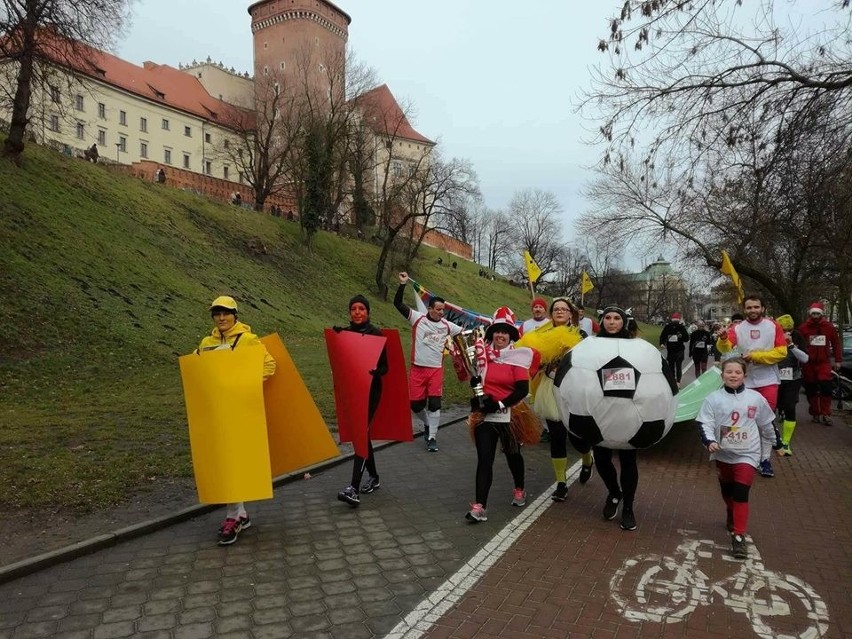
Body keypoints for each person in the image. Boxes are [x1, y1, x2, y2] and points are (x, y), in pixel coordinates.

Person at [196, 295, 276, 545]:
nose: (221, 318)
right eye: (216, 314)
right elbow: (198, 368)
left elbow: (269, 366)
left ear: (235, 315)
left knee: (236, 460)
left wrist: (245, 386)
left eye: (226, 313)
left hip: (241, 411)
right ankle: (240, 513)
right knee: (225, 459)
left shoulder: (248, 340)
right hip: (218, 413)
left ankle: (233, 516)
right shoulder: (207, 342)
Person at [696, 357, 778, 559]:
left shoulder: (755, 398)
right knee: (728, 490)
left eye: (737, 372)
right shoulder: (713, 399)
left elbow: (767, 423)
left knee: (741, 493)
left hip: (748, 453)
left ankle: (738, 536)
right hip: (723, 453)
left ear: (745, 375)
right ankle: (731, 511)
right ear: (722, 374)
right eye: (729, 372)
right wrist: (709, 441)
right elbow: (704, 423)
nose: (733, 375)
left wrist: (775, 443)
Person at [517, 298, 592, 498]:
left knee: (577, 437)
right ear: (552, 314)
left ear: (570, 314)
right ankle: (561, 483)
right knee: (557, 436)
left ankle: (587, 459)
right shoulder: (542, 335)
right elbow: (532, 358)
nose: (559, 312)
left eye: (563, 309)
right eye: (556, 309)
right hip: (550, 387)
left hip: (574, 389)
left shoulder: (581, 335)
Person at [465, 307, 532, 523]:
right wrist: (476, 391)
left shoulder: (517, 356)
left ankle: (519, 488)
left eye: (505, 331)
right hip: (486, 416)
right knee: (485, 460)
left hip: (511, 415)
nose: (500, 335)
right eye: (497, 331)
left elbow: (522, 389)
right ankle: (479, 506)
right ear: (491, 333)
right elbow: (477, 382)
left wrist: (501, 403)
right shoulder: (481, 354)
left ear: (511, 335)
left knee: (513, 455)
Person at [715, 296, 786, 478]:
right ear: (744, 309)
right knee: (741, 419)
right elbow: (725, 347)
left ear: (762, 308)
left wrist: (755, 356)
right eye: (749, 307)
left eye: (756, 307)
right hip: (745, 381)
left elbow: (781, 352)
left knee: (765, 421)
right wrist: (723, 339)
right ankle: (739, 456)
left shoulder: (773, 326)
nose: (753, 310)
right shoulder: (738, 328)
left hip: (768, 380)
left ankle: (765, 460)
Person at [394, 272, 464, 452]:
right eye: (438, 309)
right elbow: (398, 304)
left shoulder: (448, 326)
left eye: (443, 310)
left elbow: (465, 333)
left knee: (434, 404)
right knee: (415, 405)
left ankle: (432, 437)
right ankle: (428, 424)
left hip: (435, 370)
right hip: (417, 369)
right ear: (430, 309)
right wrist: (402, 285)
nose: (442, 312)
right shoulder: (417, 318)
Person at [594, 305, 644, 531]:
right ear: (602, 321)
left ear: (624, 322)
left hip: (627, 412)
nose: (612, 322)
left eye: (616, 318)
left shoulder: (636, 347)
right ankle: (615, 492)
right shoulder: (591, 346)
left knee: (628, 461)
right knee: (602, 460)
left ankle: (628, 508)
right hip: (599, 413)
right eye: (608, 318)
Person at [337, 295, 388, 507]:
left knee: (361, 433)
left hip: (371, 391)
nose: (357, 312)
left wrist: (374, 371)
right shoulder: (345, 334)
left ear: (368, 312)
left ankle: (353, 489)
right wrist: (336, 339)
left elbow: (386, 368)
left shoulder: (376, 334)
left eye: (361, 309)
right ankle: (374, 477)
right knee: (363, 435)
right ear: (350, 312)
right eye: (354, 309)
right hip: (353, 391)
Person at [797, 302, 843, 426]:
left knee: (826, 388)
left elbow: (836, 344)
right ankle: (815, 413)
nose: (815, 316)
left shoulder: (829, 327)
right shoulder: (803, 328)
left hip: (823, 362)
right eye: (813, 313)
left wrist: (838, 360)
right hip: (808, 363)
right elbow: (799, 346)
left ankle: (825, 413)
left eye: (818, 313)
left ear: (821, 314)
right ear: (810, 314)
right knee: (811, 389)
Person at [775, 314, 808, 455]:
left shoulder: (797, 337)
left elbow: (805, 358)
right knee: (770, 409)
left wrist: (791, 345)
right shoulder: (772, 337)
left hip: (793, 378)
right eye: (783, 329)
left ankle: (786, 442)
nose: (786, 332)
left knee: (790, 406)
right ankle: (774, 439)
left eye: (789, 329)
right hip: (774, 378)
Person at [659, 312, 690, 384]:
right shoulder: (668, 327)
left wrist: (681, 336)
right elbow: (663, 336)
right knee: (672, 366)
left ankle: (677, 382)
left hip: (679, 350)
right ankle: (674, 381)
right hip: (671, 350)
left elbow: (686, 338)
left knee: (677, 365)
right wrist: (662, 343)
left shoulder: (681, 327)